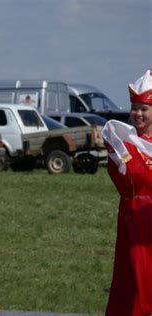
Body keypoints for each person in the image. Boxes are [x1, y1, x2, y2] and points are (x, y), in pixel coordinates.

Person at [102, 69, 152, 316]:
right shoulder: (122, 142)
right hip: (136, 222)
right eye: (135, 107)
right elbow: (122, 180)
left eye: (144, 108)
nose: (138, 114)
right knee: (137, 281)